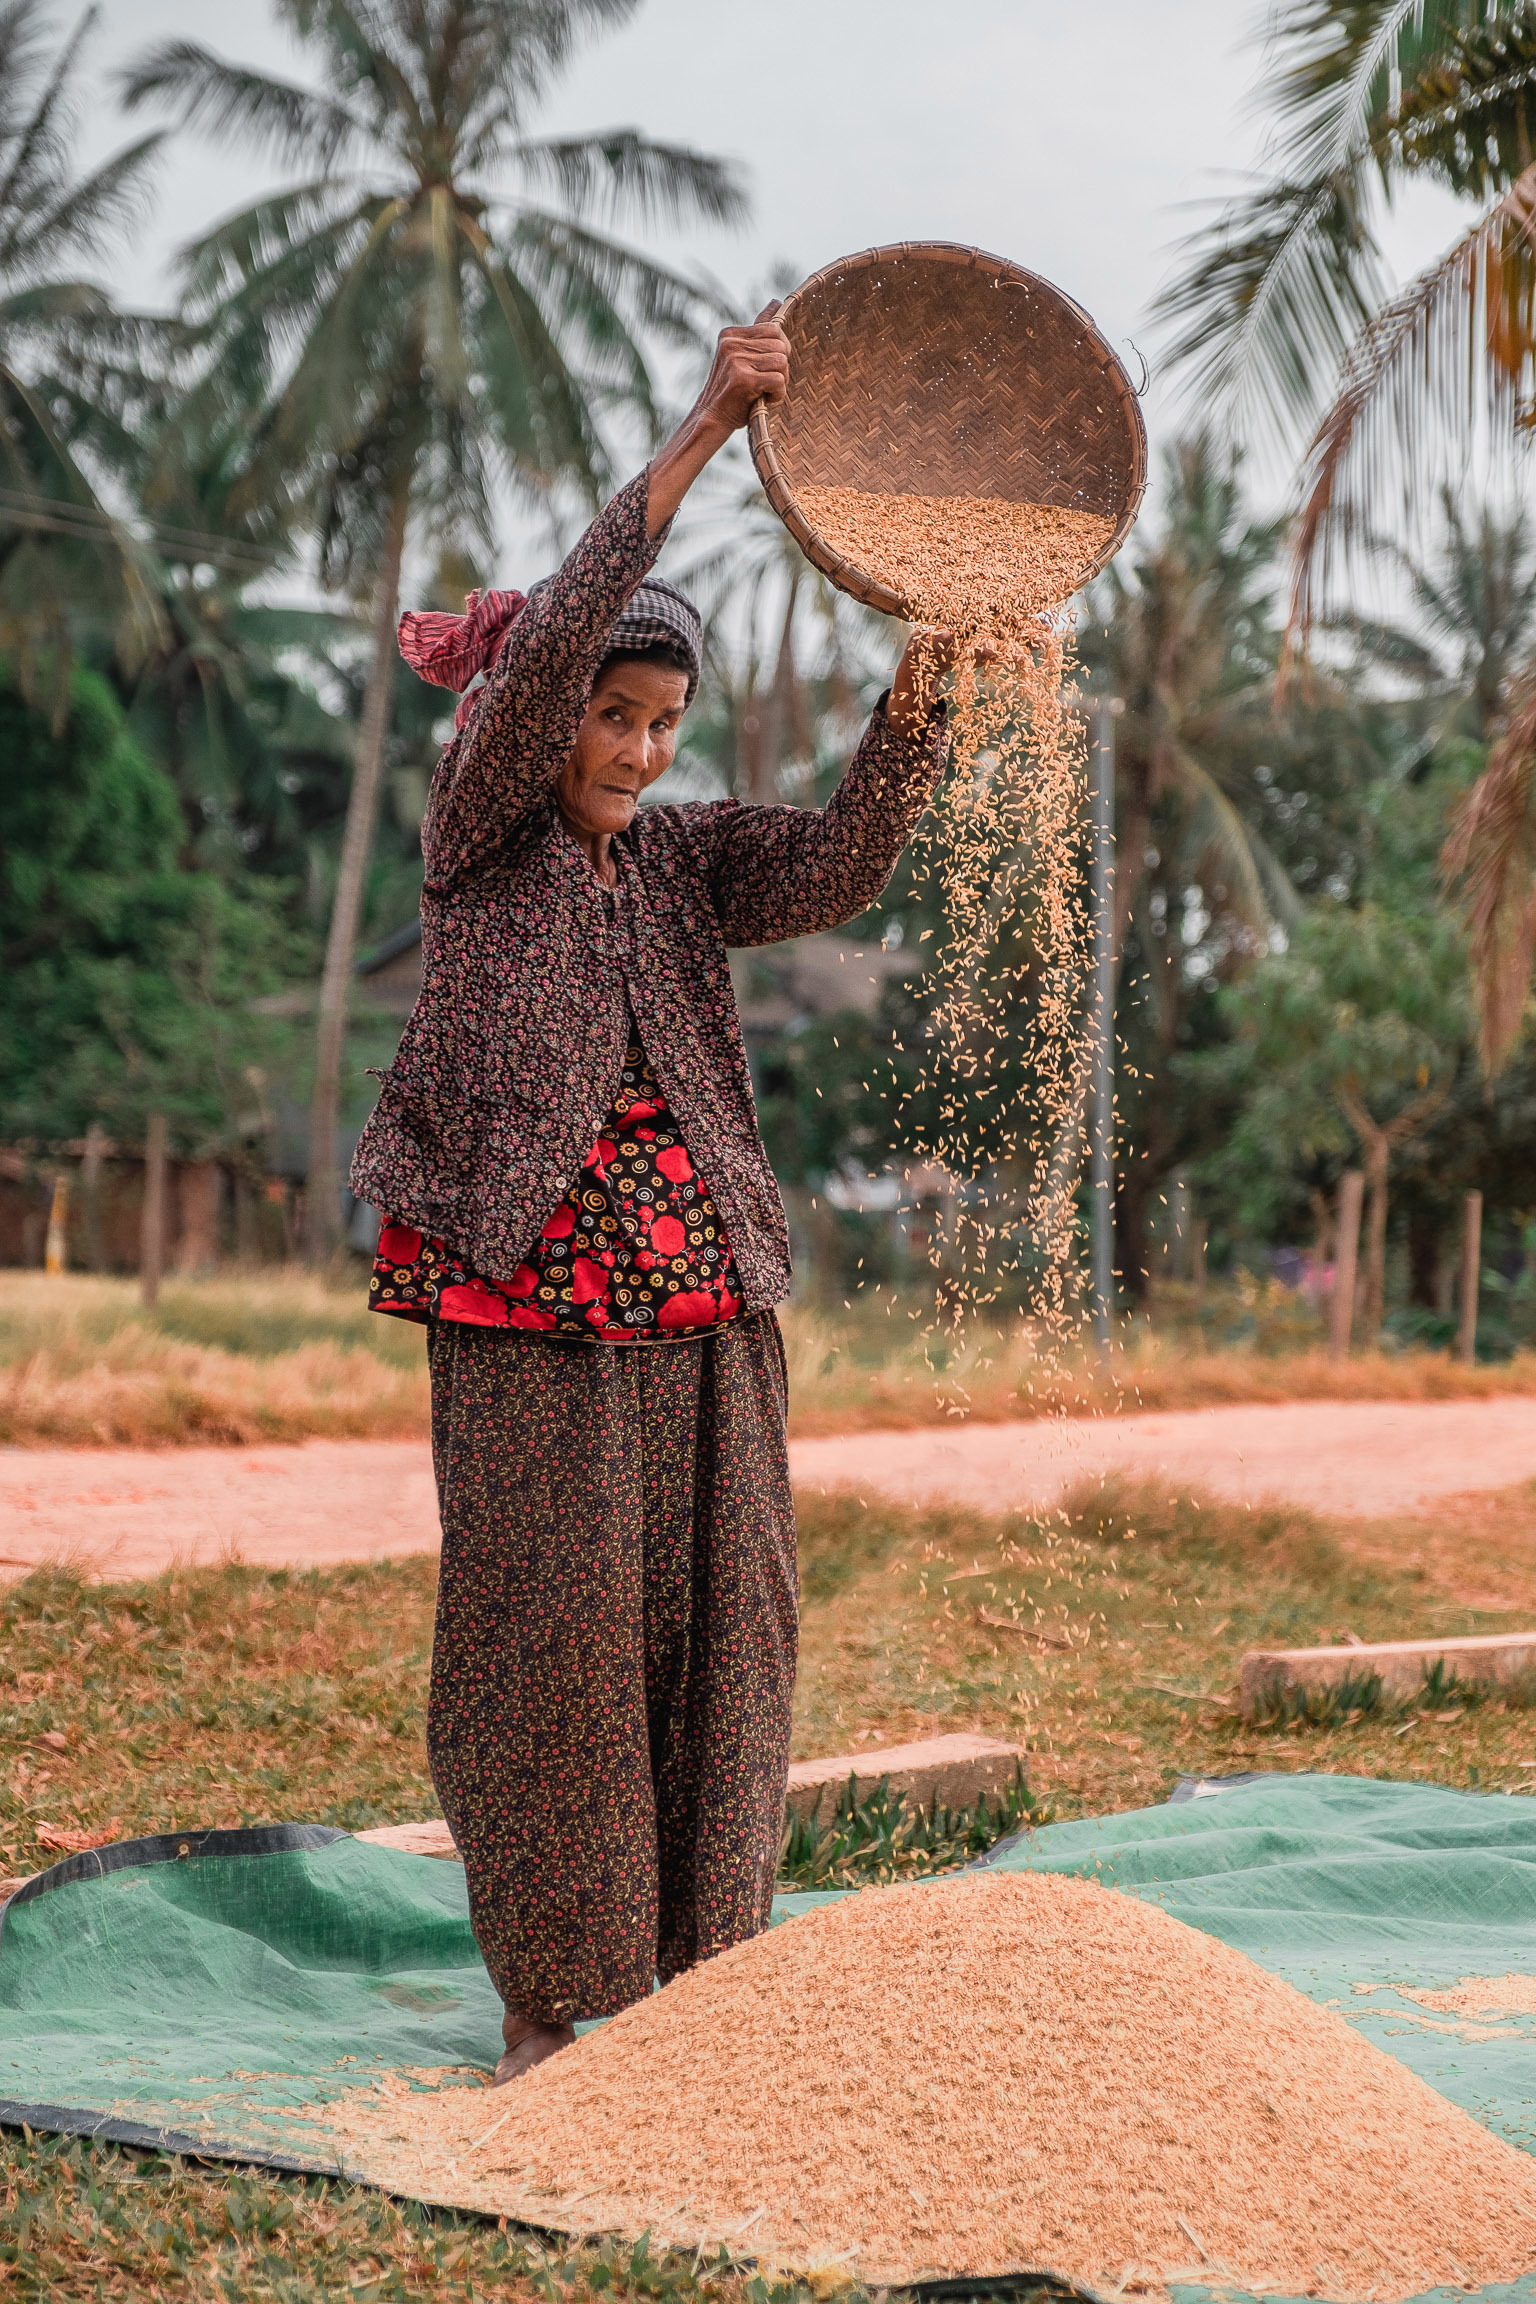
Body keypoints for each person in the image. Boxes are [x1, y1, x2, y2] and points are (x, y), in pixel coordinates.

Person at [351, 308, 952, 2082]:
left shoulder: (685, 859)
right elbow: (529, 684)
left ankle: (701, 1995)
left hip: (709, 1311)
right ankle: (551, 1998)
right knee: (553, 1636)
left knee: (722, 1629)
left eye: (661, 722)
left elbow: (843, 859)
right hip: (523, 1300)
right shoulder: (483, 827)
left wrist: (934, 673)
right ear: (541, 715)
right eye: (609, 716)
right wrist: (700, 432)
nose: (630, 751)